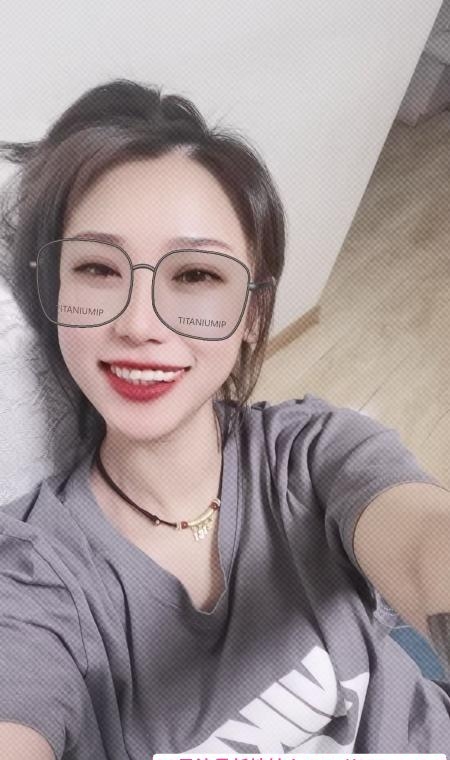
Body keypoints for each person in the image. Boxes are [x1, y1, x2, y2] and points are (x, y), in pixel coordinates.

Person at [0, 78, 449, 760]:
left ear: (253, 316)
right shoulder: (34, 572)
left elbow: (423, 547)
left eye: (195, 276)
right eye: (97, 268)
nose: (139, 324)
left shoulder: (315, 454)